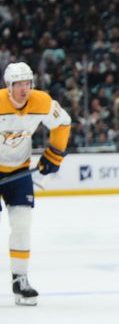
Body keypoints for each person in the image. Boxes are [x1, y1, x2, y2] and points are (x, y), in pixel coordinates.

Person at [0, 62, 71, 306]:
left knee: (22, 225)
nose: (24, 89)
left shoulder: (41, 102)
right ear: (8, 86)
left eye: (27, 83)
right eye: (18, 84)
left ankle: (20, 280)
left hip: (19, 171)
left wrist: (54, 156)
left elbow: (63, 123)